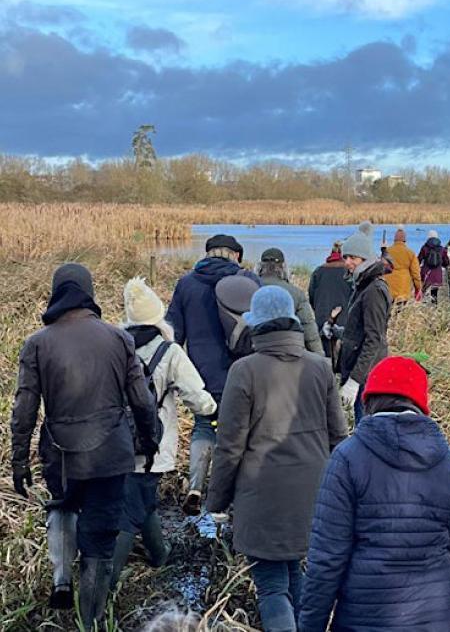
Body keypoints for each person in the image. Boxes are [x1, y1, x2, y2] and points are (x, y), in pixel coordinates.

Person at [11, 264, 159, 629]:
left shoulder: (37, 343)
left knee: (63, 504)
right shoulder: (119, 339)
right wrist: (149, 441)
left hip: (61, 455)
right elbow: (142, 401)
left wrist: (19, 460)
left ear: (56, 292)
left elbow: (24, 408)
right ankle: (90, 622)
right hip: (111, 455)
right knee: (100, 543)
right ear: (89, 293)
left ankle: (62, 578)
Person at [298, 357, 450, 632]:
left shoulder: (347, 458)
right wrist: (445, 605)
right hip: (434, 619)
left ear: (369, 401)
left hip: (364, 619)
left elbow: (327, 558)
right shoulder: (449, 463)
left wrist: (311, 625)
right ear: (421, 405)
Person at [206, 286, 347, 632]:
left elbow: (229, 446)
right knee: (294, 573)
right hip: (313, 493)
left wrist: (217, 501)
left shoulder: (244, 371)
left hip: (261, 494)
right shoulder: (321, 367)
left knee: (271, 586)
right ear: (294, 322)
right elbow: (339, 438)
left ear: (256, 325)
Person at [112, 278, 217, 590]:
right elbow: (196, 395)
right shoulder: (169, 351)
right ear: (158, 317)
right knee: (133, 509)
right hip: (152, 445)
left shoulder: (114, 346)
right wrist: (213, 411)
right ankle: (107, 580)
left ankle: (159, 553)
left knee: (140, 498)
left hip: (115, 439)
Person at [166, 234, 260, 516]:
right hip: (243, 371)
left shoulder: (187, 283)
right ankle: (237, 491)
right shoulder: (249, 281)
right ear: (236, 255)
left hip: (201, 373)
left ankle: (196, 487)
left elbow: (173, 333)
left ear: (207, 253)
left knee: (204, 426)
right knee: (242, 431)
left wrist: (173, 373)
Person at [325, 221, 392, 426]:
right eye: (345, 257)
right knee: (363, 425)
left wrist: (355, 380)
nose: (347, 262)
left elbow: (374, 339)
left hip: (368, 376)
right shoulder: (362, 285)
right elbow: (358, 332)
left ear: (365, 259)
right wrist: (336, 331)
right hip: (363, 372)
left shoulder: (373, 291)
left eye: (353, 258)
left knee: (367, 428)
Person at [257, 248, 324, 355]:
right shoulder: (296, 293)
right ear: (283, 267)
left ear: (260, 267)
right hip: (287, 353)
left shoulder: (250, 288)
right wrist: (320, 356)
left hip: (256, 351)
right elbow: (309, 329)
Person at [308, 242, 352, 358]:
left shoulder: (318, 271)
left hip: (322, 316)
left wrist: (318, 309)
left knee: (324, 356)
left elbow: (311, 296)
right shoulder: (349, 272)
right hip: (345, 318)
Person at [383, 225, 422, 304]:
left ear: (394, 239)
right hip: (403, 289)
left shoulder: (387, 251)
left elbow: (382, 269)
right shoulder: (410, 253)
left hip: (388, 288)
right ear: (405, 240)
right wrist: (418, 287)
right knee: (401, 309)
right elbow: (416, 273)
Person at [417, 229, 449, 304]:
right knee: (434, 294)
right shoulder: (442, 249)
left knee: (424, 293)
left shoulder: (424, 247)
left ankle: (423, 307)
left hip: (426, 274)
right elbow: (446, 262)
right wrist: (441, 265)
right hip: (437, 275)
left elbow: (418, 260)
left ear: (428, 237)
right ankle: (434, 306)